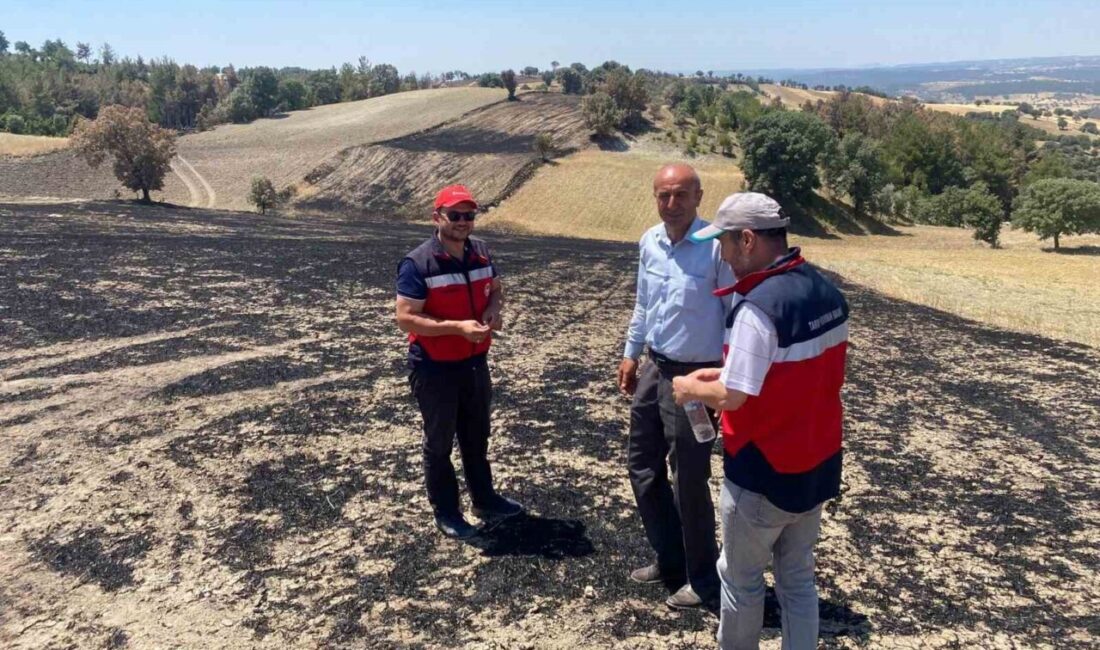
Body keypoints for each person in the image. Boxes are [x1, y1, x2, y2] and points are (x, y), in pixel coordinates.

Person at [671, 192, 849, 649]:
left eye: (725, 244)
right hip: (817, 462)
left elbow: (732, 397)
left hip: (763, 470)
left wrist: (691, 388)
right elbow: (791, 372)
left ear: (747, 240)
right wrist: (729, 373)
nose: (723, 256)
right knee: (797, 577)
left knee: (740, 577)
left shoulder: (757, 308)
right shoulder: (825, 290)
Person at [619, 164, 733, 610]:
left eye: (681, 195)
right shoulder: (650, 242)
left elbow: (731, 316)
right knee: (642, 467)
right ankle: (670, 558)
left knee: (689, 479)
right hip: (654, 368)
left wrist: (724, 376)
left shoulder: (716, 249)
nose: (671, 204)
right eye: (663, 195)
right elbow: (644, 303)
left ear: (699, 197)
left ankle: (704, 578)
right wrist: (631, 354)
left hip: (697, 378)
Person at [394, 184, 524, 540]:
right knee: (439, 442)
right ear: (437, 218)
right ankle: (447, 512)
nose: (463, 222)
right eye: (455, 215)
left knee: (476, 435)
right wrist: (456, 329)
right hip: (435, 368)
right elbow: (406, 318)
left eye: (469, 215)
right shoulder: (418, 263)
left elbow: (495, 288)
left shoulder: (481, 252)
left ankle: (484, 500)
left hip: (474, 363)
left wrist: (494, 308)